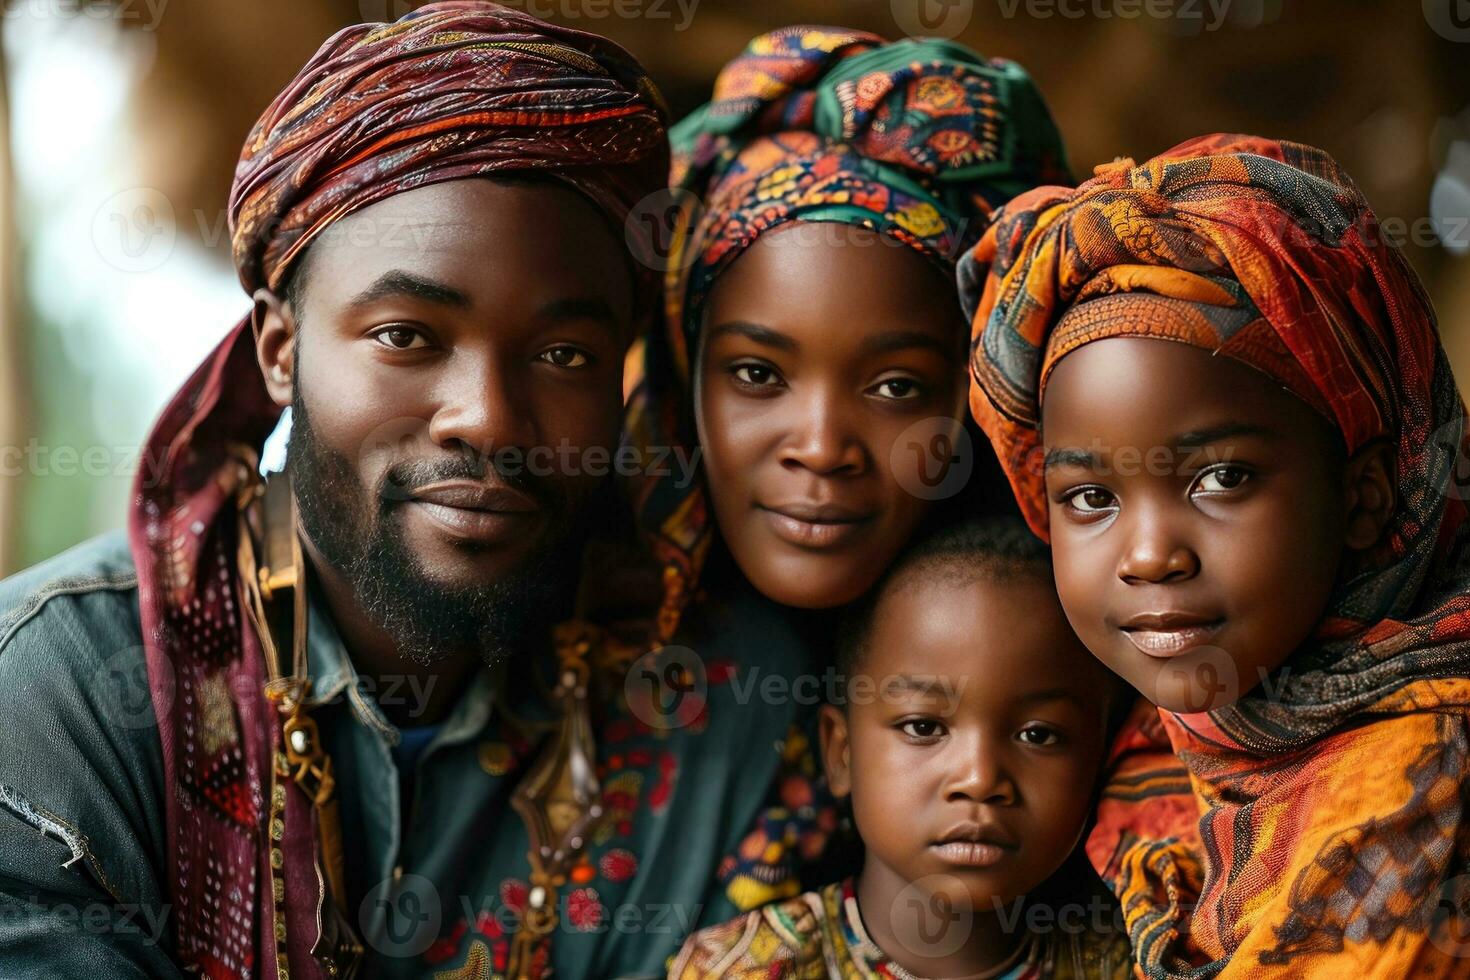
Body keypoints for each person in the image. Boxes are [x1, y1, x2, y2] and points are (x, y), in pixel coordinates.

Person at [0, 5, 818, 978]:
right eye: (407, 335)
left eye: (564, 352)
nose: (488, 417)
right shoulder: (57, 707)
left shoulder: (725, 711)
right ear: (280, 348)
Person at [962, 133, 1470, 975]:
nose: (1153, 555)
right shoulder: (1155, 743)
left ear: (1364, 494)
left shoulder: (1408, 787)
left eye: (1222, 478)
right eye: (1091, 498)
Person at [670, 518, 1132, 978]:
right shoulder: (739, 969)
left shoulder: (1135, 963)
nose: (979, 778)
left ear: (1100, 756)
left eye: (1038, 735)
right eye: (924, 726)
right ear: (841, 752)